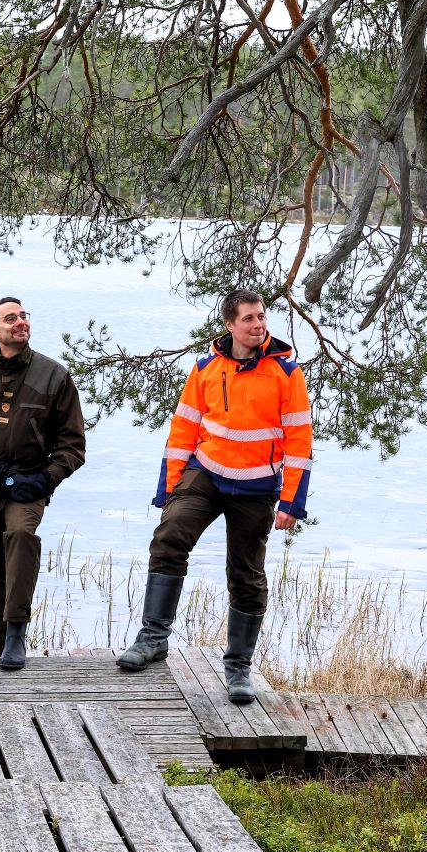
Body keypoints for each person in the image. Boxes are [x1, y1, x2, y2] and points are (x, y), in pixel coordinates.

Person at [117, 289, 313, 702]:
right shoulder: (206, 367)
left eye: (261, 317)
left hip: (258, 485)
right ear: (230, 325)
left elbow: (299, 441)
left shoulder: (287, 373)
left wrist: (292, 502)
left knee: (246, 575)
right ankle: (153, 638)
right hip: (206, 474)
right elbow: (183, 428)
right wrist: (169, 487)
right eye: (249, 319)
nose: (258, 325)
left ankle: (238, 667)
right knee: (168, 537)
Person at [0, 296, 86, 670]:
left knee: (20, 538)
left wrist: (46, 478)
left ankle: (16, 633)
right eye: (11, 318)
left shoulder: (54, 376)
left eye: (24, 316)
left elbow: (73, 444)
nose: (20, 322)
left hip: (30, 485)